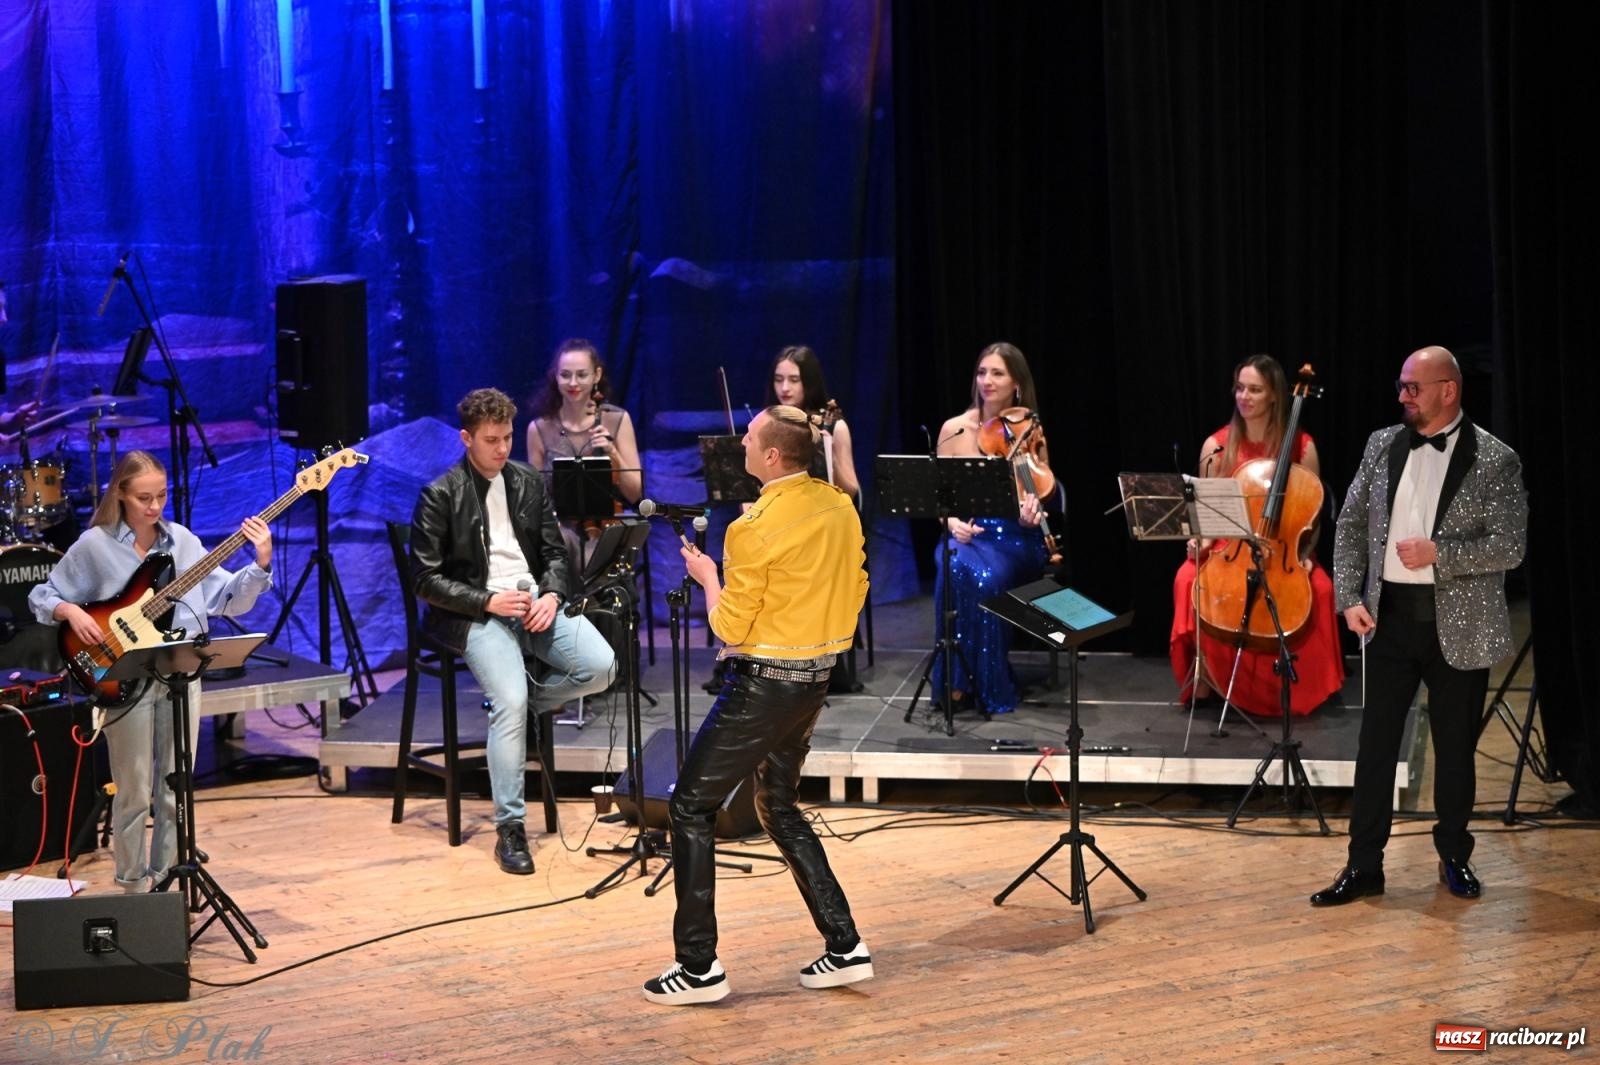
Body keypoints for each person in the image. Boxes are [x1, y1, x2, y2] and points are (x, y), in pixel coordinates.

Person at [643, 405, 870, 1005]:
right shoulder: (840, 506)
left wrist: (708, 574)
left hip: (764, 683)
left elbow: (729, 627)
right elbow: (856, 586)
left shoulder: (752, 528)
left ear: (771, 456)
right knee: (779, 806)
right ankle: (844, 945)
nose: (740, 440)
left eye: (749, 436)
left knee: (690, 808)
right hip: (814, 678)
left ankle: (698, 968)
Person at [1310, 346, 1526, 906]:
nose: (1403, 395)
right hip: (1388, 623)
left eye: (1414, 387)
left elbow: (1511, 545)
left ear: (1448, 390)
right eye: (1402, 386)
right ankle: (1364, 867)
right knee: (1375, 748)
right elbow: (1351, 522)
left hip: (1459, 625)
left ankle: (1454, 857)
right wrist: (1349, 595)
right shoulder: (1381, 444)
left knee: (1454, 752)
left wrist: (1440, 552)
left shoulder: (1495, 459)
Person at [28, 450, 273, 892]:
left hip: (180, 677)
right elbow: (42, 595)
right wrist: (70, 611)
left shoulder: (182, 542)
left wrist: (260, 563)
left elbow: (227, 599)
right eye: (144, 497)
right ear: (121, 493)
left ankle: (166, 884)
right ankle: (133, 888)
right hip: (125, 678)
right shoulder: (95, 546)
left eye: (161, 495)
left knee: (176, 787)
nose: (155, 506)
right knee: (134, 791)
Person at [411, 387, 616, 875]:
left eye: (507, 438)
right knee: (509, 700)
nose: (502, 449)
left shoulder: (525, 481)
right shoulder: (441, 494)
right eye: (491, 439)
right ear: (466, 439)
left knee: (602, 667)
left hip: (533, 605)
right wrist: (486, 600)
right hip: (477, 614)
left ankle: (526, 706)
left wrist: (551, 596)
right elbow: (425, 579)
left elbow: (554, 553)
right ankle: (511, 828)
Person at [1169, 355, 1345, 716]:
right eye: (1239, 388)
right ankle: (1204, 677)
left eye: (1254, 389)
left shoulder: (1302, 447)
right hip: (1228, 546)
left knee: (1323, 589)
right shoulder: (1216, 446)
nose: (1244, 396)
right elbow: (1205, 516)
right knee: (1187, 578)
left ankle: (1308, 687)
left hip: (1283, 549)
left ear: (1276, 396)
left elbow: (1311, 516)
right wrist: (1199, 541)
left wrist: (1306, 555)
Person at [930, 342, 1049, 714]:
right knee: (954, 563)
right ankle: (957, 680)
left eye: (997, 373)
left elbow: (1039, 490)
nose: (987, 381)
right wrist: (950, 523)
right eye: (982, 372)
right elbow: (938, 500)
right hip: (965, 533)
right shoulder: (953, 430)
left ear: (1016, 383)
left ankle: (983, 682)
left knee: (982, 575)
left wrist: (1032, 510)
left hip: (1015, 538)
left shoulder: (1029, 428)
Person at [525, 338, 644, 570]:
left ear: (596, 375)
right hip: (560, 526)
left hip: (608, 523)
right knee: (562, 547)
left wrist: (613, 453)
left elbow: (635, 493)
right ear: (555, 376)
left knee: (609, 547)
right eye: (565, 375)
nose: (573, 382)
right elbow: (536, 498)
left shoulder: (617, 419)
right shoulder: (539, 429)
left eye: (582, 375)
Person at [767, 345, 860, 498]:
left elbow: (851, 491)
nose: (784, 388)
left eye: (794, 380)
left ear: (809, 383)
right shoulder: (769, 425)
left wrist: (830, 458)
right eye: (778, 380)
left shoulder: (835, 427)